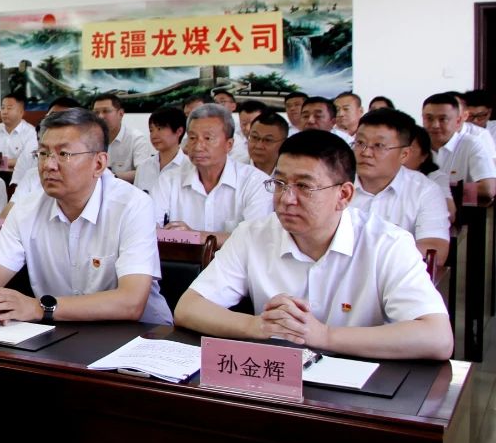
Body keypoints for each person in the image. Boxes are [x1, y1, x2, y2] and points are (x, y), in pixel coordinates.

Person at [174, 130, 452, 361]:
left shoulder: (387, 244)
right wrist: (256, 325)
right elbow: (188, 308)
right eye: (280, 183)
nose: (286, 199)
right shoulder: (253, 235)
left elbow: (437, 338)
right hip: (276, 380)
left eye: (304, 187)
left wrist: (324, 336)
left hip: (360, 383)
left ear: (344, 195)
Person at [0, 109, 172, 325]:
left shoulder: (133, 206)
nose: (48, 165)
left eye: (63, 154)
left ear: (99, 164)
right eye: (43, 153)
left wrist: (38, 307)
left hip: (138, 333)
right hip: (60, 329)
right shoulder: (26, 209)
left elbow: (131, 302)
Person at [152, 103, 272, 245]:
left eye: (208, 138)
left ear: (229, 145)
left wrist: (194, 237)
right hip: (178, 259)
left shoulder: (255, 182)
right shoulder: (169, 179)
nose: (198, 147)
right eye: (192, 138)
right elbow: (150, 227)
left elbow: (255, 238)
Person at [351, 109, 450, 266]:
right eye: (360, 143)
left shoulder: (425, 191)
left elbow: (435, 249)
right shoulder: (334, 183)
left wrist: (370, 257)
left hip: (395, 276)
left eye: (379, 145)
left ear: (404, 154)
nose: (366, 153)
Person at [421, 92, 496, 200]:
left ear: (458, 120)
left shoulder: (472, 143)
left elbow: (488, 189)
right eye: (429, 118)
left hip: (461, 208)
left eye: (443, 119)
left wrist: (442, 190)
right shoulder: (415, 144)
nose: (435, 125)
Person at [91, 93, 152, 182]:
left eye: (106, 111)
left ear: (121, 113)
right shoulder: (89, 139)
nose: (100, 116)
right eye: (96, 112)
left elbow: (144, 173)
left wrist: (111, 177)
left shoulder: (137, 139)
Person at [134, 106, 187, 194]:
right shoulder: (144, 167)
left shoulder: (190, 168)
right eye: (151, 130)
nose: (154, 136)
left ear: (179, 131)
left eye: (160, 129)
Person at [0, 93, 36, 172]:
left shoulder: (31, 132)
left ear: (21, 112)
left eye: (9, 108)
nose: (4, 112)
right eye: (2, 108)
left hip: (21, 175)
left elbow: (28, 161)